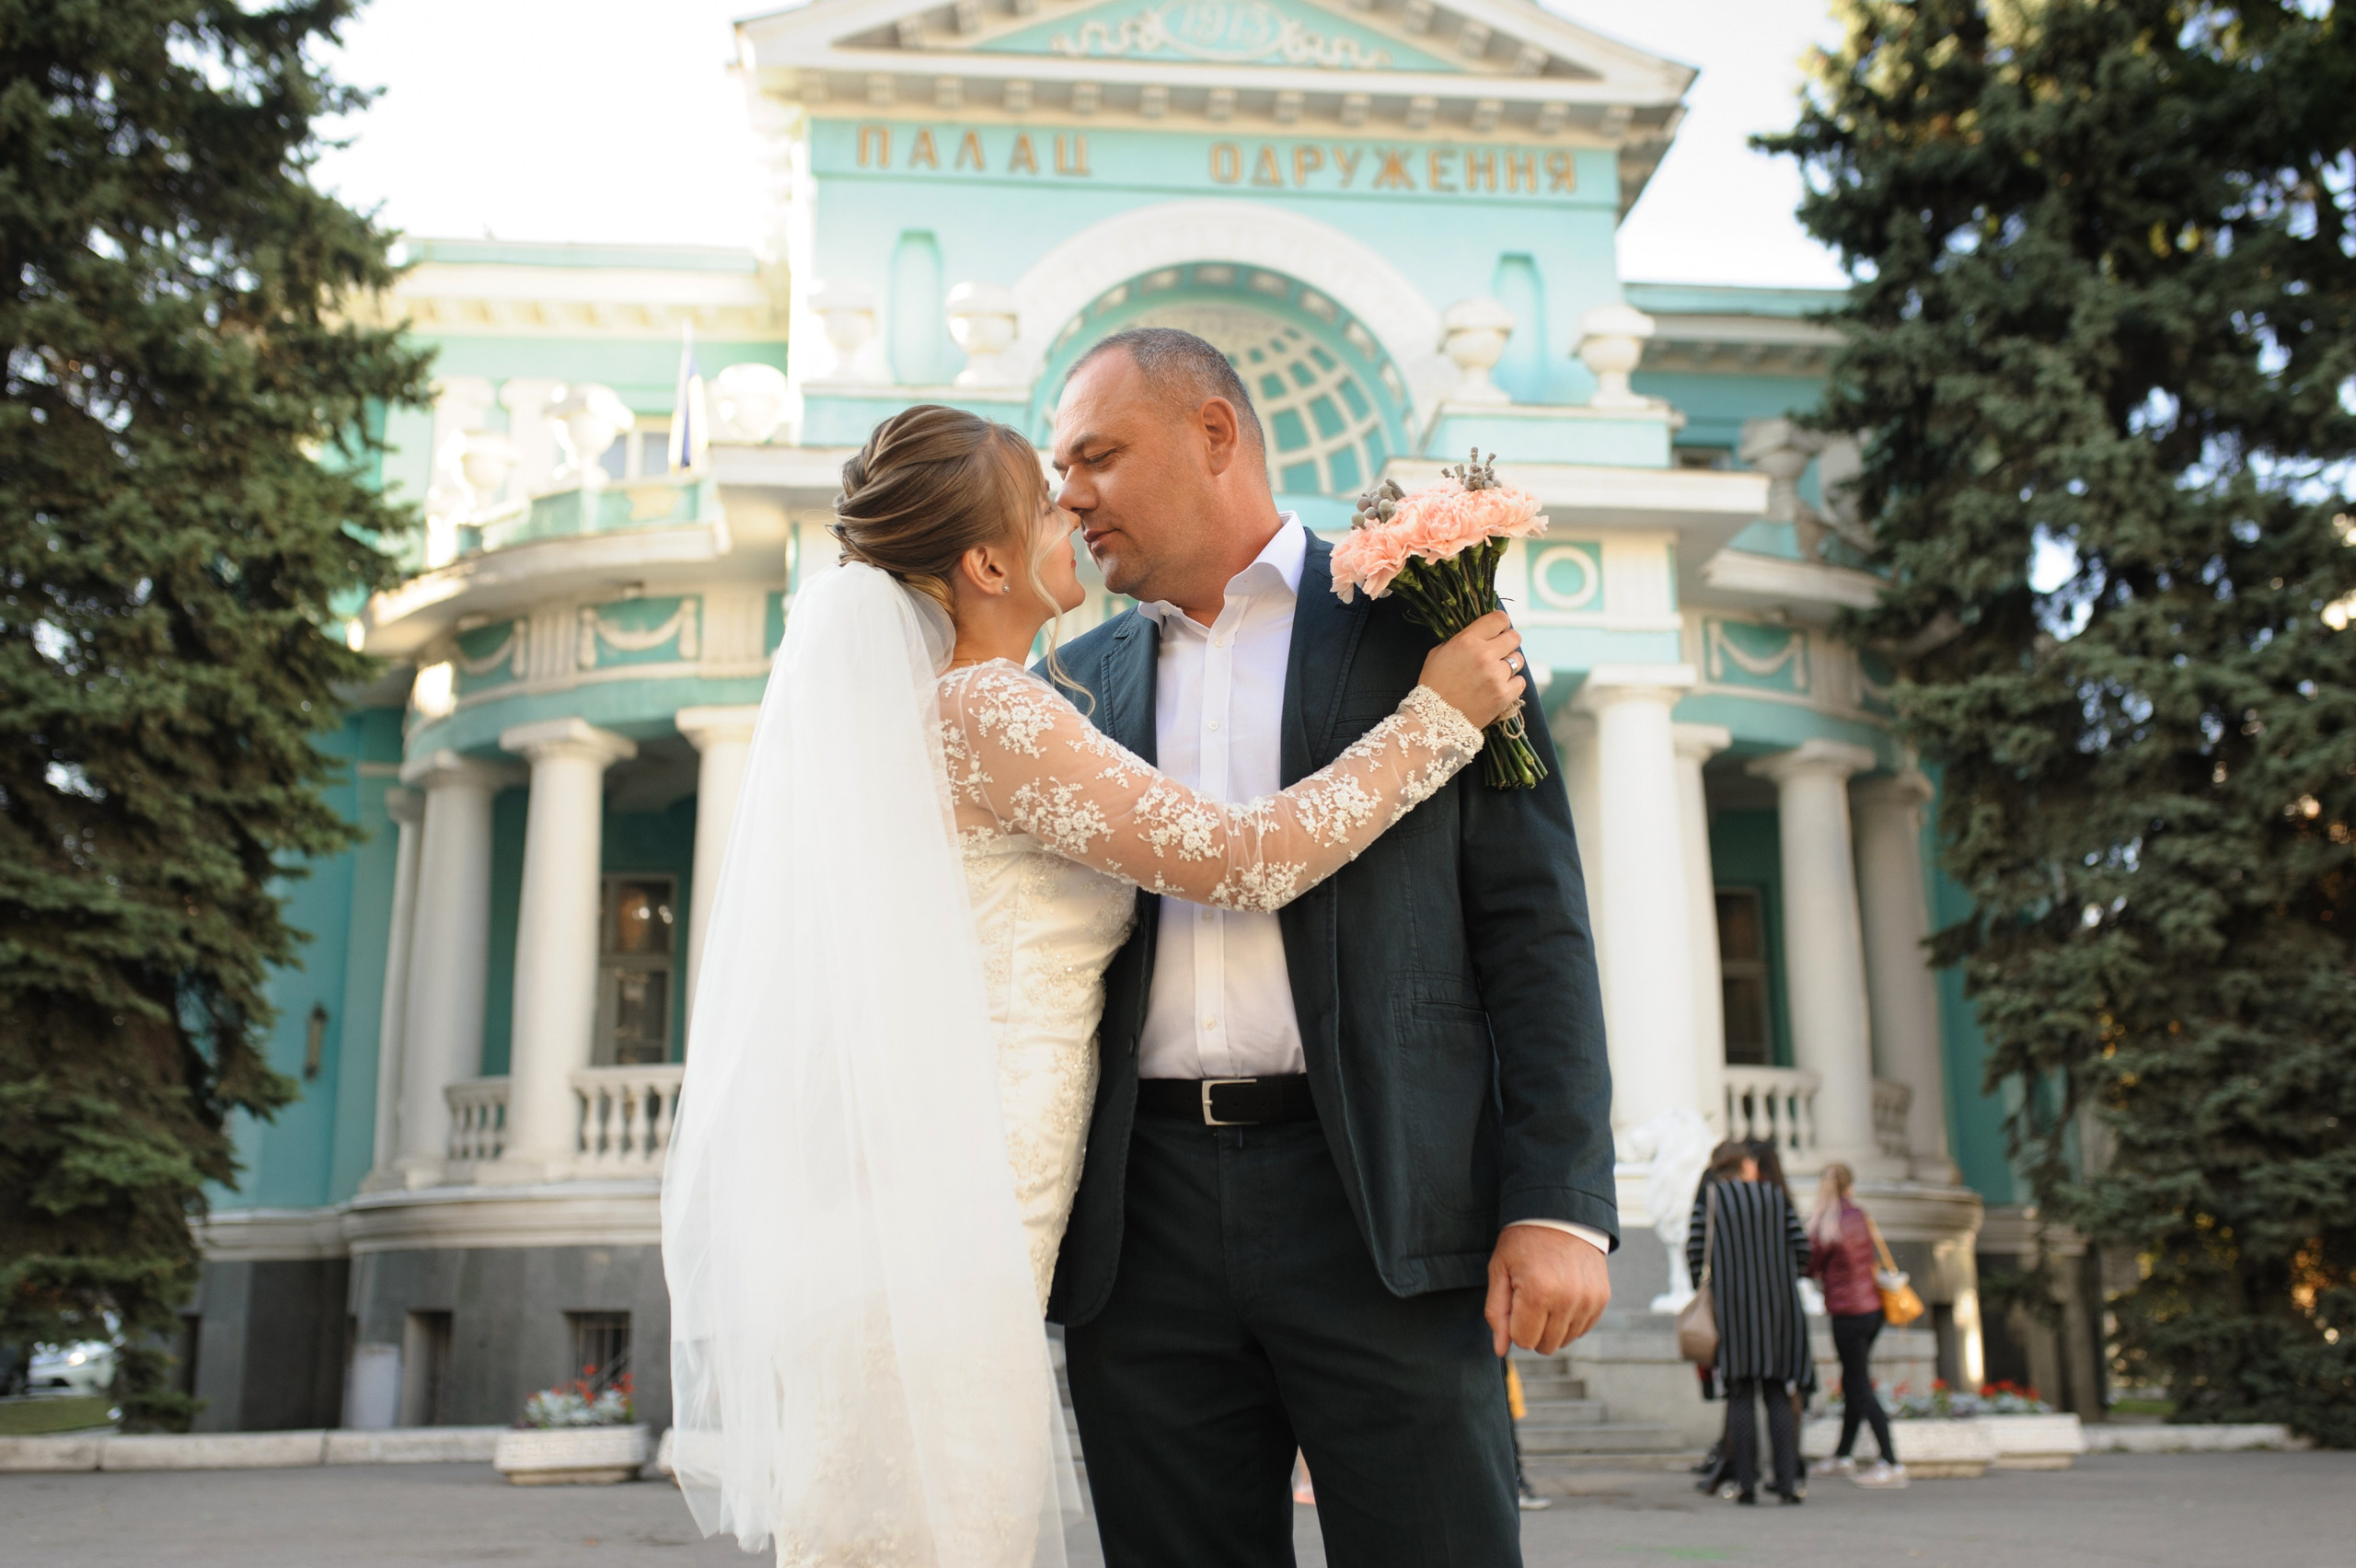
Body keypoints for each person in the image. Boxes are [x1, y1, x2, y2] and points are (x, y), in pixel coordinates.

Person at [661, 402, 1531, 1565]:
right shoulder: (988, 707)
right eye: (1043, 503)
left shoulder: (940, 715)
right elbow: (1242, 860)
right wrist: (1437, 720)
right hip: (960, 1206)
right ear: (985, 566)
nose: (1070, 512)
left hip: (955, 1196)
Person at [1045, 327, 1618, 1566]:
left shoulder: (1430, 628)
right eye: (1059, 470)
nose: (1070, 495)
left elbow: (1534, 930)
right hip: (1140, 1229)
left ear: (1213, 434)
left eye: (1097, 456)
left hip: (1385, 1201)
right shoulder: (1071, 684)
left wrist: (1559, 1203)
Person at [1687, 1143, 1810, 1505]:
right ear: (1745, 1165)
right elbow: (1802, 1250)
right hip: (1779, 1309)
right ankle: (1786, 1482)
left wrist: (1708, 1288)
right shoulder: (1775, 1197)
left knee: (1739, 1394)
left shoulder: (1712, 1200)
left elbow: (1695, 1252)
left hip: (1732, 1310)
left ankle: (1745, 1483)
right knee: (1778, 1392)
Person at [1807, 1162, 1909, 1488]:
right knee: (1853, 1381)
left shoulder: (1827, 1222)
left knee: (1859, 1385)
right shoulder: (1860, 1216)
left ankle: (1891, 1461)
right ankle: (1843, 1455)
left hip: (1847, 1313)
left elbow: (1809, 1265)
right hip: (1871, 1309)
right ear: (1850, 1186)